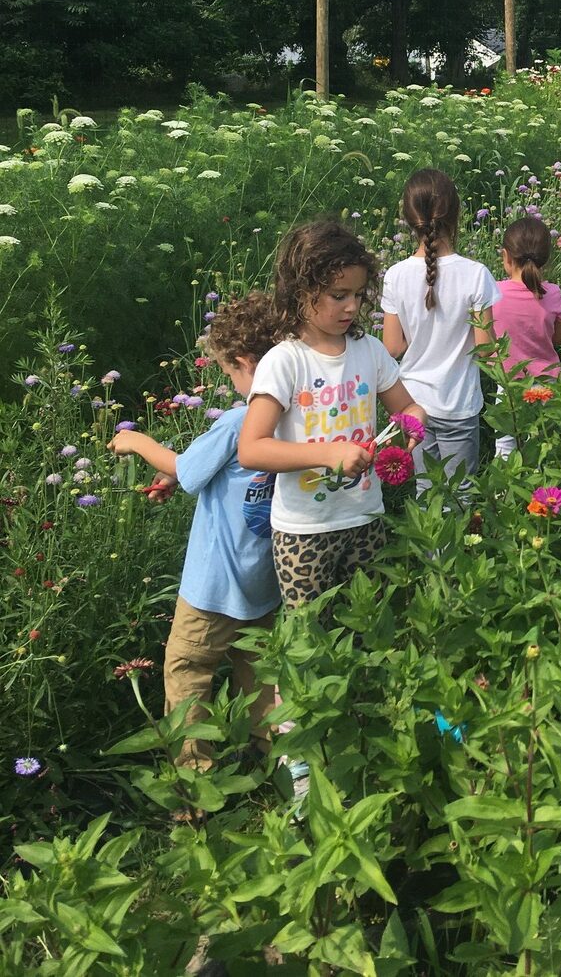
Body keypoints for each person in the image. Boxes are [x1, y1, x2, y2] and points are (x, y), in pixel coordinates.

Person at [109, 292, 282, 775]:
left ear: (246, 364)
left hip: (211, 589)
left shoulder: (236, 421)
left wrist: (141, 444)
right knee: (263, 680)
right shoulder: (297, 419)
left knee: (187, 673)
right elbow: (214, 475)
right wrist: (180, 475)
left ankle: (194, 780)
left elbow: (187, 470)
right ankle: (278, 765)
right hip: (266, 583)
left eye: (230, 373)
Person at [238, 219, 426, 609]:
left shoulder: (369, 350)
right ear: (302, 292)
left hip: (365, 517)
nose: (352, 306)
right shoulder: (285, 361)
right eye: (339, 295)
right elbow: (252, 449)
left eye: (358, 294)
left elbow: (407, 406)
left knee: (369, 626)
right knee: (312, 639)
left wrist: (412, 422)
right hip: (303, 531)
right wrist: (328, 454)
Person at [380, 168, 500, 495]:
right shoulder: (476, 274)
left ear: (407, 217)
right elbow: (486, 351)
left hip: (412, 401)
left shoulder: (395, 274)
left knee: (426, 495)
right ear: (456, 212)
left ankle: (429, 550)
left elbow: (391, 346)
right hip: (458, 402)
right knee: (459, 497)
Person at [491, 215, 561, 458]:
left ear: (505, 256)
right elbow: (559, 339)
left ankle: (505, 492)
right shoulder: (553, 293)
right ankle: (542, 492)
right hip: (546, 380)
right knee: (542, 442)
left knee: (505, 445)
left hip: (508, 381)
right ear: (546, 257)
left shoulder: (493, 292)